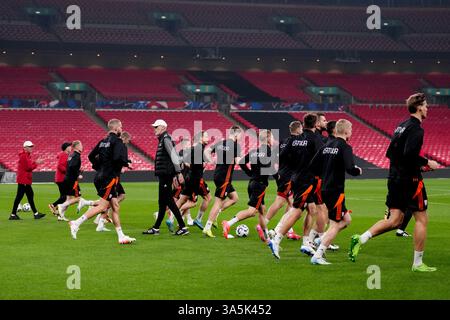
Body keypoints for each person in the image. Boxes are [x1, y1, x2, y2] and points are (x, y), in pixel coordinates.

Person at [349, 93, 439, 272]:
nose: (428, 108)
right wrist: (427, 163)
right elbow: (409, 154)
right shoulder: (416, 129)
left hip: (395, 178)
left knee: (395, 220)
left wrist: (412, 166)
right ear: (419, 107)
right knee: (422, 219)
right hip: (410, 180)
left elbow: (391, 153)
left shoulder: (401, 126)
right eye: (426, 105)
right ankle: (417, 263)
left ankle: (361, 238)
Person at [68, 119, 136, 244]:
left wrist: (100, 166)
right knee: (103, 206)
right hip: (109, 178)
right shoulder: (118, 141)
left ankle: (121, 236)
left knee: (115, 206)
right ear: (116, 128)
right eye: (121, 126)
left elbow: (90, 156)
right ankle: (76, 223)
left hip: (100, 176)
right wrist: (126, 163)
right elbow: (117, 158)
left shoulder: (103, 141)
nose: (122, 128)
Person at [267, 113, 323, 259]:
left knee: (312, 209)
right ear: (316, 124)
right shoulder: (315, 139)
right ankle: (277, 239)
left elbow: (282, 156)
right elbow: (323, 159)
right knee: (297, 211)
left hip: (296, 177)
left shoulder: (295, 139)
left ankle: (306, 242)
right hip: (306, 179)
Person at [310, 119, 362, 265]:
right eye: (350, 129)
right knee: (335, 224)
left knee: (346, 220)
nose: (351, 132)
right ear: (345, 131)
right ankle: (318, 255)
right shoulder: (345, 147)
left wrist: (326, 172)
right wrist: (358, 170)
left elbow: (313, 166)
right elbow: (351, 169)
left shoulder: (326, 146)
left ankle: (322, 239)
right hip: (336, 190)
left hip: (325, 188)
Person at [222, 130, 273, 241]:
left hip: (252, 183)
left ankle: (266, 235)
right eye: (272, 137)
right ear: (268, 139)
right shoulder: (268, 151)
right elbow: (269, 168)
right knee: (251, 212)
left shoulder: (254, 151)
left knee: (262, 210)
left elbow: (241, 162)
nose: (273, 140)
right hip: (259, 185)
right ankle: (228, 223)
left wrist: (250, 173)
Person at [143, 119, 189, 236]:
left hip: (166, 175)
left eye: (156, 127)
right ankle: (156, 228)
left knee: (168, 200)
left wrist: (178, 172)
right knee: (162, 202)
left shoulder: (166, 139)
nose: (154, 129)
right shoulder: (163, 139)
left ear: (163, 127)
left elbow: (173, 155)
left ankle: (183, 227)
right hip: (164, 175)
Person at [201, 126, 242, 238]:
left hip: (218, 175)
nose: (240, 137)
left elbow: (207, 150)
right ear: (236, 134)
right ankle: (207, 227)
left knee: (234, 198)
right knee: (218, 202)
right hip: (225, 178)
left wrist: (211, 161)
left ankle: (216, 216)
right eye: (240, 135)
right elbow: (238, 161)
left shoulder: (221, 143)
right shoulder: (235, 146)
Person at [264, 121, 303, 240]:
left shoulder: (283, 142)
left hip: (283, 174)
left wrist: (278, 172)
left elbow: (276, 158)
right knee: (282, 202)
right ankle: (264, 225)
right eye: (301, 128)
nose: (302, 130)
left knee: (291, 202)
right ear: (298, 129)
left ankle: (288, 229)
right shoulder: (296, 142)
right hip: (289, 176)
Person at [95, 131, 133, 232]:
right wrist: (126, 164)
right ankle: (81, 217)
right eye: (128, 140)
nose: (129, 142)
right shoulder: (121, 145)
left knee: (116, 200)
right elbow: (117, 159)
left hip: (111, 176)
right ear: (125, 138)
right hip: (112, 177)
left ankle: (101, 222)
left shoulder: (113, 144)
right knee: (111, 202)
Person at [175, 131, 212, 230]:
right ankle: (198, 219)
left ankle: (173, 219)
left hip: (189, 177)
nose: (208, 138)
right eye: (206, 136)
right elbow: (189, 163)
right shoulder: (198, 148)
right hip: (195, 179)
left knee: (183, 199)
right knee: (206, 198)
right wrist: (201, 165)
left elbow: (186, 162)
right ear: (200, 138)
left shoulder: (194, 149)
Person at [57, 141, 96, 221]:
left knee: (69, 198)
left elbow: (69, 166)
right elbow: (72, 166)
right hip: (72, 180)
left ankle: (61, 216)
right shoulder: (76, 156)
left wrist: (78, 170)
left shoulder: (71, 155)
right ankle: (61, 205)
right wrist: (78, 174)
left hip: (67, 179)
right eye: (81, 145)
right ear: (77, 147)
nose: (82, 146)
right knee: (78, 198)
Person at [9, 141, 46, 220]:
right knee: (23, 196)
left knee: (26, 196)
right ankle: (14, 214)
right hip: (24, 180)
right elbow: (29, 168)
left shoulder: (26, 155)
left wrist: (35, 162)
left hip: (24, 179)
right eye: (29, 146)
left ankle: (34, 214)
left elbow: (28, 165)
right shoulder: (24, 156)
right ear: (25, 148)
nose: (31, 148)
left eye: (32, 146)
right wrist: (36, 163)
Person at [48, 142, 72, 216]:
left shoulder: (64, 155)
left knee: (63, 196)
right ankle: (53, 205)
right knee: (65, 196)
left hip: (60, 178)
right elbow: (60, 166)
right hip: (62, 178)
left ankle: (58, 211)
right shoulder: (64, 155)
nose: (71, 147)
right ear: (66, 148)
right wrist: (68, 171)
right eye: (69, 146)